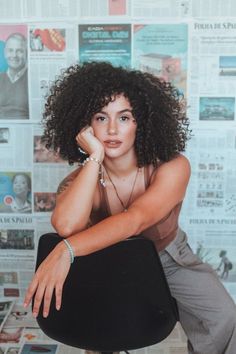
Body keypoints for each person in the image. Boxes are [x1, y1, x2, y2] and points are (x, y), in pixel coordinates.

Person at [24, 62, 236, 354]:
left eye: (124, 117)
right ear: (85, 127)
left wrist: (65, 249)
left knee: (223, 316)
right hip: (104, 262)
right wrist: (95, 157)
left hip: (169, 257)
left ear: (143, 122)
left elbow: (136, 219)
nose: (112, 129)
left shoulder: (173, 167)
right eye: (101, 117)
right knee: (101, 334)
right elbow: (66, 227)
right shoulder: (81, 180)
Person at [0, 32, 29, 119]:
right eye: (10, 50)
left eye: (19, 51)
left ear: (26, 53)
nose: (14, 55)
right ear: (5, 53)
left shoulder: (31, 78)